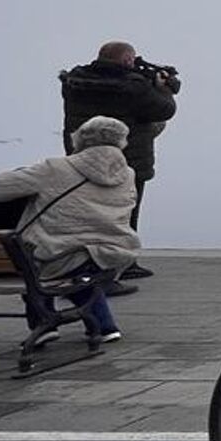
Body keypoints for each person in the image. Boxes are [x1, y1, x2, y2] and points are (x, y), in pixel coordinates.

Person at [0, 115, 141, 343]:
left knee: (37, 260)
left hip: (57, 254)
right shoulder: (128, 174)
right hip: (112, 252)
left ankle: (44, 324)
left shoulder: (55, 168)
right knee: (78, 268)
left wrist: (26, 172)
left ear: (79, 139)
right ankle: (104, 326)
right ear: (121, 142)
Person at [59, 41, 178, 278]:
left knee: (89, 212)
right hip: (126, 159)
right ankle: (123, 263)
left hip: (82, 159)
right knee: (126, 213)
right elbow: (163, 110)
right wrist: (162, 87)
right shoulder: (133, 87)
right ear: (126, 61)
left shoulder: (75, 82)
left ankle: (89, 261)